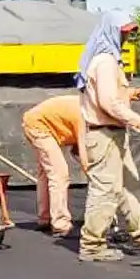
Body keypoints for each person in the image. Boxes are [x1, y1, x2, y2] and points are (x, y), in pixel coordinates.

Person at [75, 9, 140, 263]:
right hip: (104, 136)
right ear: (111, 31)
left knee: (131, 187)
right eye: (124, 33)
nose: (127, 38)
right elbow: (107, 102)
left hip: (114, 134)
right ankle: (92, 245)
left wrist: (131, 95)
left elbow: (111, 97)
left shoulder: (110, 60)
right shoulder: (104, 61)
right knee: (106, 190)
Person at [22, 93, 88, 238]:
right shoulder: (83, 115)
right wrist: (92, 173)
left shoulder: (90, 104)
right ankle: (60, 224)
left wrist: (134, 93)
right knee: (59, 174)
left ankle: (45, 218)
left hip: (43, 124)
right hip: (39, 126)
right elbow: (83, 153)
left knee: (46, 174)